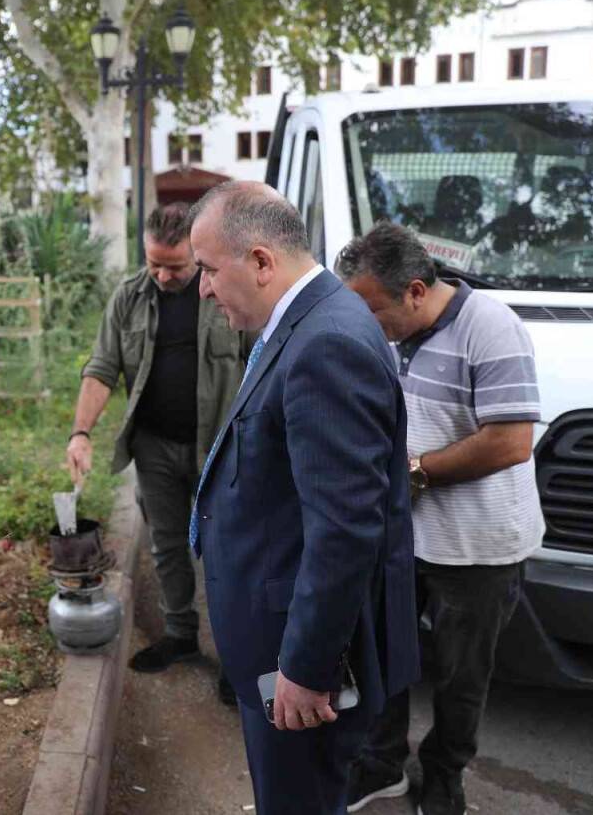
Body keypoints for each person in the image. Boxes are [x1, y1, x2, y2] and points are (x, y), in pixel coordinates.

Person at [188, 182, 420, 814]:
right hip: (278, 634)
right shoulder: (306, 323)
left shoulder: (326, 342)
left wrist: (306, 668)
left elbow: (345, 531)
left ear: (262, 261)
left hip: (295, 661)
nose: (203, 288)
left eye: (209, 269)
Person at [336, 222, 544, 815]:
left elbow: (511, 441)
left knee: (460, 677)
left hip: (478, 547)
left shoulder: (492, 328)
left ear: (416, 292)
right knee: (384, 654)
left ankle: (445, 774)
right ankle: (382, 764)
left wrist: (417, 472)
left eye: (373, 311)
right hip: (403, 535)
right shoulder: (389, 332)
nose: (364, 324)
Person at [67, 201, 244, 694]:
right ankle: (180, 634)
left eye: (176, 266)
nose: (164, 276)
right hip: (154, 447)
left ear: (197, 254)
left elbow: (261, 360)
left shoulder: (227, 293)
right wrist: (80, 433)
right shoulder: (128, 298)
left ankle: (235, 657)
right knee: (167, 547)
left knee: (226, 553)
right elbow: (102, 367)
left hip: (220, 450)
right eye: (154, 264)